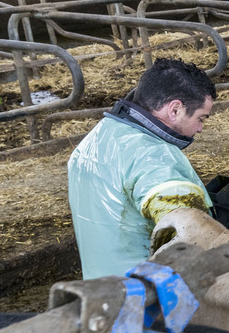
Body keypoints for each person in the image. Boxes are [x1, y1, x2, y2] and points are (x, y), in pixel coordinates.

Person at [67, 57, 218, 279]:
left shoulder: (96, 138)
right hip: (148, 291)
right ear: (175, 109)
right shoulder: (153, 156)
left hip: (99, 287)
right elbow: (190, 231)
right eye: (201, 118)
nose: (200, 128)